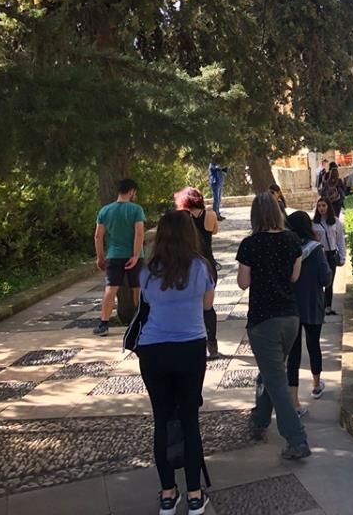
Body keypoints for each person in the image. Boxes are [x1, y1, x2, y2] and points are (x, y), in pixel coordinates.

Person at [137, 210, 215, 515]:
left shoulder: (148, 270)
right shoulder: (200, 266)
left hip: (153, 349)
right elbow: (207, 305)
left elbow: (146, 302)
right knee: (189, 419)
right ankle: (195, 494)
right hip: (190, 347)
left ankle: (168, 493)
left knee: (162, 420)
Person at [236, 193, 310, 460]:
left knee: (276, 380)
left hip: (263, 320)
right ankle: (259, 420)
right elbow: (294, 276)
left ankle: (297, 439)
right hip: (290, 317)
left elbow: (243, 283)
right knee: (270, 372)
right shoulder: (292, 240)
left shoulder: (250, 244)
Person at [284, 211, 332, 416]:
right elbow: (325, 278)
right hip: (313, 304)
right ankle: (316, 385)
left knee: (293, 353)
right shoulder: (316, 249)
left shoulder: (286, 249)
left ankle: (294, 401)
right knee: (314, 345)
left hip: (292, 307)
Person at [93, 178, 146, 336]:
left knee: (110, 288)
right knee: (137, 288)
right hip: (135, 256)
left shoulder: (105, 211)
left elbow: (98, 236)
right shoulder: (136, 210)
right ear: (131, 191)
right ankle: (141, 321)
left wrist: (100, 257)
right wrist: (135, 255)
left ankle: (104, 323)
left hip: (113, 255)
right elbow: (139, 233)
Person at [174, 187, 221, 358]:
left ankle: (192, 343)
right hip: (208, 264)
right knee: (208, 307)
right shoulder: (210, 215)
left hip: (187, 265)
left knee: (188, 305)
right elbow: (214, 231)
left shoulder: (181, 217)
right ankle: (212, 344)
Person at [312, 197, 346, 316]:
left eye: (324, 205)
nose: (321, 208)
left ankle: (328, 307)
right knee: (319, 281)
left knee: (330, 281)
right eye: (319, 206)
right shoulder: (314, 223)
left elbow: (340, 240)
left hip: (331, 254)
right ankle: (319, 306)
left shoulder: (336, 222)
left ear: (328, 207)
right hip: (319, 254)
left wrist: (342, 256)